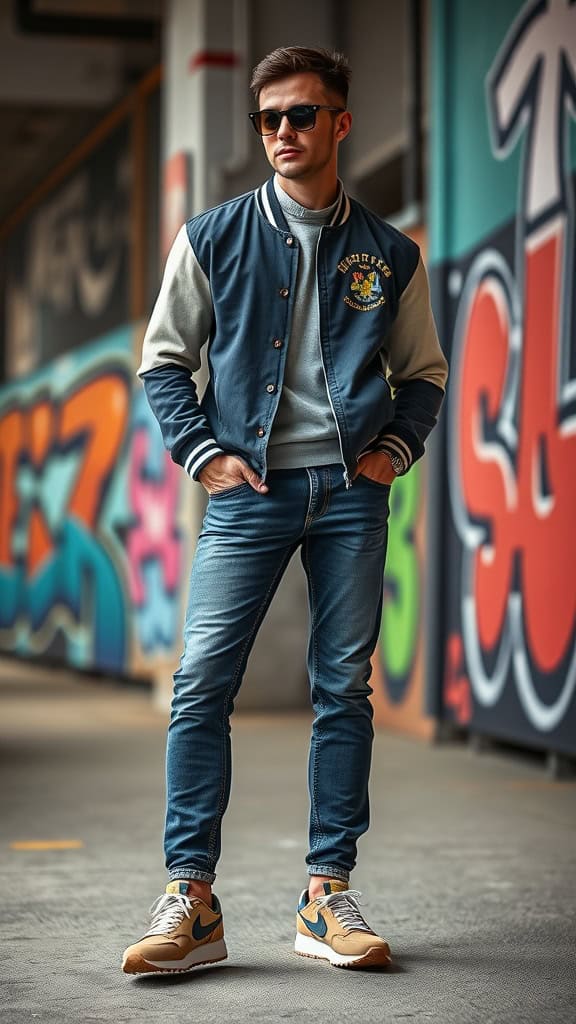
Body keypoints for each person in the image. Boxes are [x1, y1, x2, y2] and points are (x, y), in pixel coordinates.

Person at [122, 46, 448, 975]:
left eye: (302, 116)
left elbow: (423, 374)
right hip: (250, 492)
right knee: (201, 684)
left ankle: (325, 894)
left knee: (342, 689)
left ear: (342, 123)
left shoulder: (390, 255)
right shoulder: (214, 237)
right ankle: (191, 897)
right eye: (269, 119)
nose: (282, 134)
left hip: (351, 494)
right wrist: (205, 453)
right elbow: (162, 360)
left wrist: (391, 452)